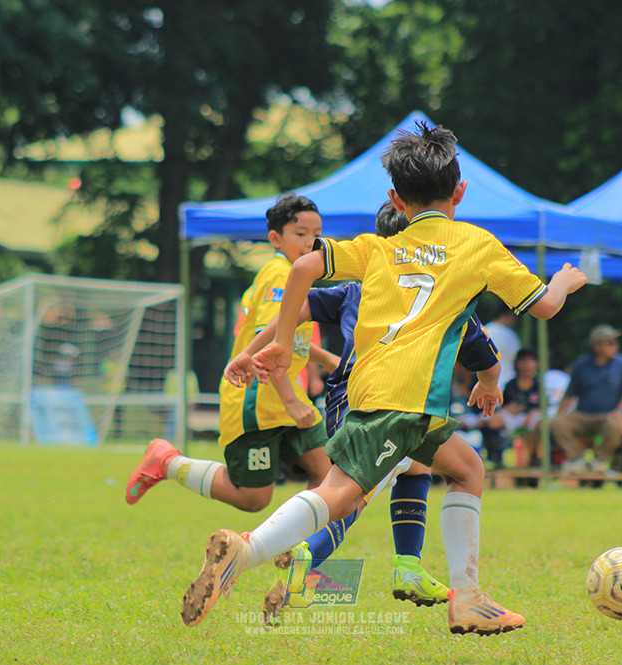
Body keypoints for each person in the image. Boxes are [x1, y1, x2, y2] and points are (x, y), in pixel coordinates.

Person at [181, 121, 587, 635]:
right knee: (340, 494)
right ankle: (246, 551)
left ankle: (467, 599)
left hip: (376, 393)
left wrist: (282, 340)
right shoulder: (478, 245)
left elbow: (303, 268)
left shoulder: (377, 248)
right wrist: (565, 281)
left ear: (396, 197)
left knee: (466, 468)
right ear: (460, 190)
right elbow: (545, 308)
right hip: (406, 399)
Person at [224, 201, 504, 610]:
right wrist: (489, 381)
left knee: (419, 461)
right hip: (382, 402)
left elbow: (299, 309)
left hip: (365, 400)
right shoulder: (442, 292)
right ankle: (298, 556)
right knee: (350, 497)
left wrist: (250, 350)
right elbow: (483, 350)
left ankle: (408, 563)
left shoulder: (357, 286)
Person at [124, 195, 334, 513]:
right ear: (275, 239)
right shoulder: (281, 275)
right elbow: (271, 342)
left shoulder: (299, 274)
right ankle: (168, 462)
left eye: (316, 233)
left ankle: (301, 552)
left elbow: (289, 335)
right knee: (253, 498)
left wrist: (328, 360)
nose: (311, 242)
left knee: (327, 474)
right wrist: (291, 401)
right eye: (300, 233)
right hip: (257, 401)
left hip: (288, 398)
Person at [551, 324, 622, 473]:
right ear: (597, 347)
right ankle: (577, 459)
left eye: (615, 343)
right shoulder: (582, 365)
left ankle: (599, 461)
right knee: (557, 423)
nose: (615, 346)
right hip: (583, 414)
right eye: (610, 343)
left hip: (608, 415)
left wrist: (620, 411)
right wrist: (559, 414)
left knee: (614, 425)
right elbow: (569, 394)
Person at [485, 348, 541, 466]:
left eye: (530, 361)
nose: (526, 366)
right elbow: (503, 405)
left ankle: (535, 458)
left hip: (531, 417)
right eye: (523, 361)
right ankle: (496, 458)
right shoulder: (511, 385)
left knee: (540, 422)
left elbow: (543, 406)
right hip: (513, 417)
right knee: (493, 421)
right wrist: (508, 409)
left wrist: (532, 412)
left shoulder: (539, 385)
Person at [483, 310, 521, 387]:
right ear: (504, 315)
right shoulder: (510, 334)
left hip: (486, 382)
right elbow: (518, 357)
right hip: (508, 381)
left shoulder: (485, 330)